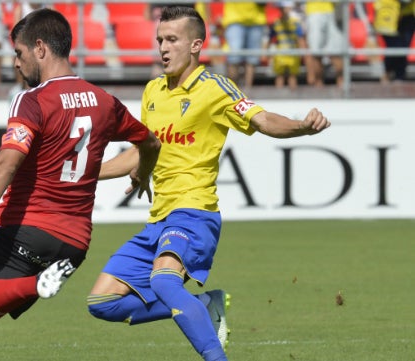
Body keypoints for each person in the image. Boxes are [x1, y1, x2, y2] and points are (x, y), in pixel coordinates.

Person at [86, 6, 331, 361]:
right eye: (160, 40)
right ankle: (204, 304)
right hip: (158, 219)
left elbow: (262, 119)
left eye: (172, 40)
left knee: (163, 282)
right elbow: (144, 151)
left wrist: (300, 127)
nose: (163, 48)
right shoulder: (153, 90)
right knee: (102, 302)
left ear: (196, 45)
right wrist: (85, 174)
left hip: (194, 213)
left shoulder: (214, 87)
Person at [0, 8, 161, 361]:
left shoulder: (33, 100)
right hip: (73, 245)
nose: (17, 65)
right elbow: (151, 144)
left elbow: (7, 163)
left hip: (22, 229)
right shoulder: (104, 102)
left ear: (40, 48)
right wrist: (141, 171)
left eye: (19, 54)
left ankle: (36, 284)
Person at [221, 1, 267, 88]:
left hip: (256, 20)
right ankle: (232, 91)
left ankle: (248, 92)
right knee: (233, 57)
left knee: (252, 59)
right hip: (234, 19)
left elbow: (263, 3)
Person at [267, 1, 307, 90]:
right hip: (279, 53)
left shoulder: (295, 23)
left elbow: (300, 38)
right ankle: (278, 96)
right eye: (282, 8)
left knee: (292, 76)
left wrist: (303, 53)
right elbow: (270, 38)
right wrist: (266, 52)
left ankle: (293, 96)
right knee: (279, 75)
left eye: (286, 8)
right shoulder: (276, 22)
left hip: (293, 53)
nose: (284, 10)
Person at [304, 1, 344, 87]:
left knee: (336, 51)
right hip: (314, 11)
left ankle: (341, 83)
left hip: (331, 11)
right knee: (316, 51)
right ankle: (318, 83)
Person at [374, 0, 415, 83]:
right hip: (388, 12)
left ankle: (399, 77)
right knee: (395, 46)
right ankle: (388, 74)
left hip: (408, 14)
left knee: (403, 48)